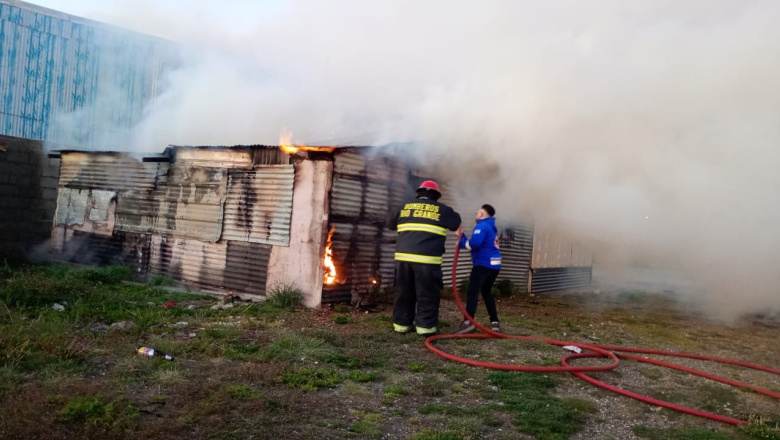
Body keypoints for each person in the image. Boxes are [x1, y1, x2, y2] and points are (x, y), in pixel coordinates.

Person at [388, 180, 461, 336]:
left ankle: (402, 325)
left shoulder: (403, 207)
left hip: (403, 261)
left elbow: (389, 223)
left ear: (419, 193)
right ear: (436, 196)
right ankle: (425, 328)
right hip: (427, 262)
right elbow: (456, 223)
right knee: (427, 294)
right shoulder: (443, 210)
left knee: (403, 292)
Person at [456, 204, 502, 334]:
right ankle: (494, 322)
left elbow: (475, 244)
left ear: (481, 214)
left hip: (483, 265)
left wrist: (461, 240)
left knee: (472, 292)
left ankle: (468, 323)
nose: (476, 214)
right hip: (494, 266)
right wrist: (463, 238)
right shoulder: (492, 228)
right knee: (486, 292)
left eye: (477, 212)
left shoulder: (482, 226)